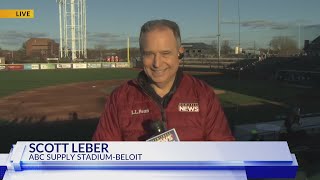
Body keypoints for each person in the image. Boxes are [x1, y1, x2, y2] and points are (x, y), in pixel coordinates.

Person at [92, 19, 234, 141]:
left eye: (165, 53)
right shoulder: (120, 98)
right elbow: (103, 157)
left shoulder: (203, 95)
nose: (157, 63)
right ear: (141, 54)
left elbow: (224, 153)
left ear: (180, 53)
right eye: (149, 54)